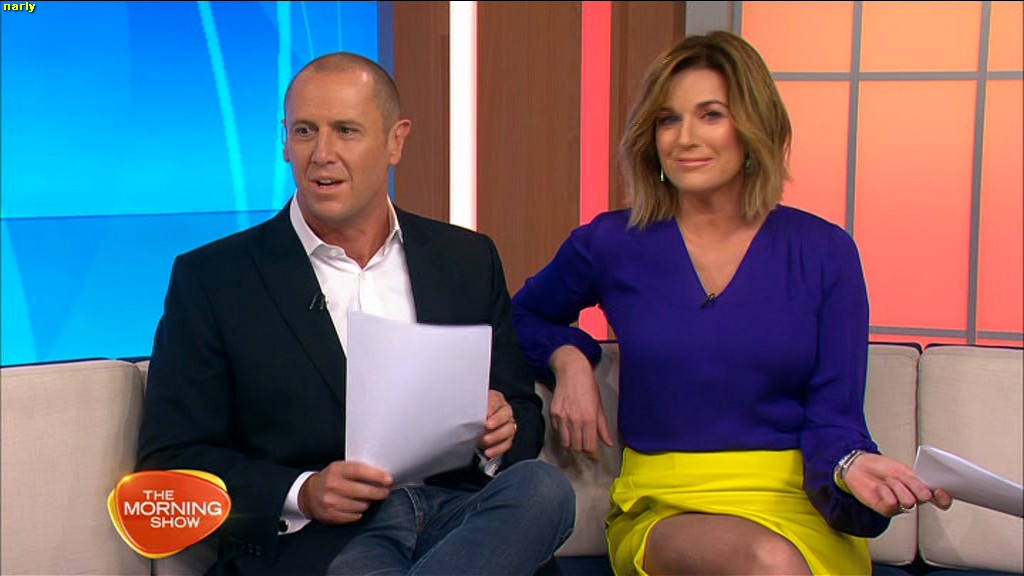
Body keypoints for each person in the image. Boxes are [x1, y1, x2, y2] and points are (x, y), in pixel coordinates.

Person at [511, 30, 952, 575]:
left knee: (779, 560)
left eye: (711, 115)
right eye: (668, 120)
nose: (684, 138)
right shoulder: (611, 243)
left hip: (798, 504)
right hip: (668, 503)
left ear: (754, 127)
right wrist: (568, 357)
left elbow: (835, 415)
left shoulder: (824, 252)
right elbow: (516, 317)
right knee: (768, 562)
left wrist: (848, 466)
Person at [136, 52, 575, 576]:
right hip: (324, 543)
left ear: (395, 141)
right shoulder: (214, 279)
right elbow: (170, 463)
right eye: (305, 131)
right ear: (285, 142)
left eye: (346, 131)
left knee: (543, 488)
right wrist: (303, 492)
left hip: (459, 521)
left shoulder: (466, 260)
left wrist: (500, 434)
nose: (322, 154)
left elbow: (521, 410)